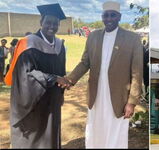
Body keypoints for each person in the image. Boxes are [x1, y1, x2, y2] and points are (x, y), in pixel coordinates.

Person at [64, 1, 143, 148]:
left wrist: (131, 102)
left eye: (113, 15)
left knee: (115, 131)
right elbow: (85, 62)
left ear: (119, 17)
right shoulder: (93, 37)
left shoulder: (133, 39)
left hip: (119, 96)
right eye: (106, 15)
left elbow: (137, 73)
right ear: (102, 17)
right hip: (97, 94)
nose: (109, 19)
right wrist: (70, 79)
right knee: (95, 129)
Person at [4, 3, 70, 148]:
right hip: (34, 100)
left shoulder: (60, 45)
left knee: (51, 132)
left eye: (55, 23)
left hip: (53, 98)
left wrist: (61, 93)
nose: (51, 26)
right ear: (41, 22)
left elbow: (62, 72)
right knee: (35, 135)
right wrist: (53, 79)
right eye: (48, 22)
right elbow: (25, 74)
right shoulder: (28, 44)